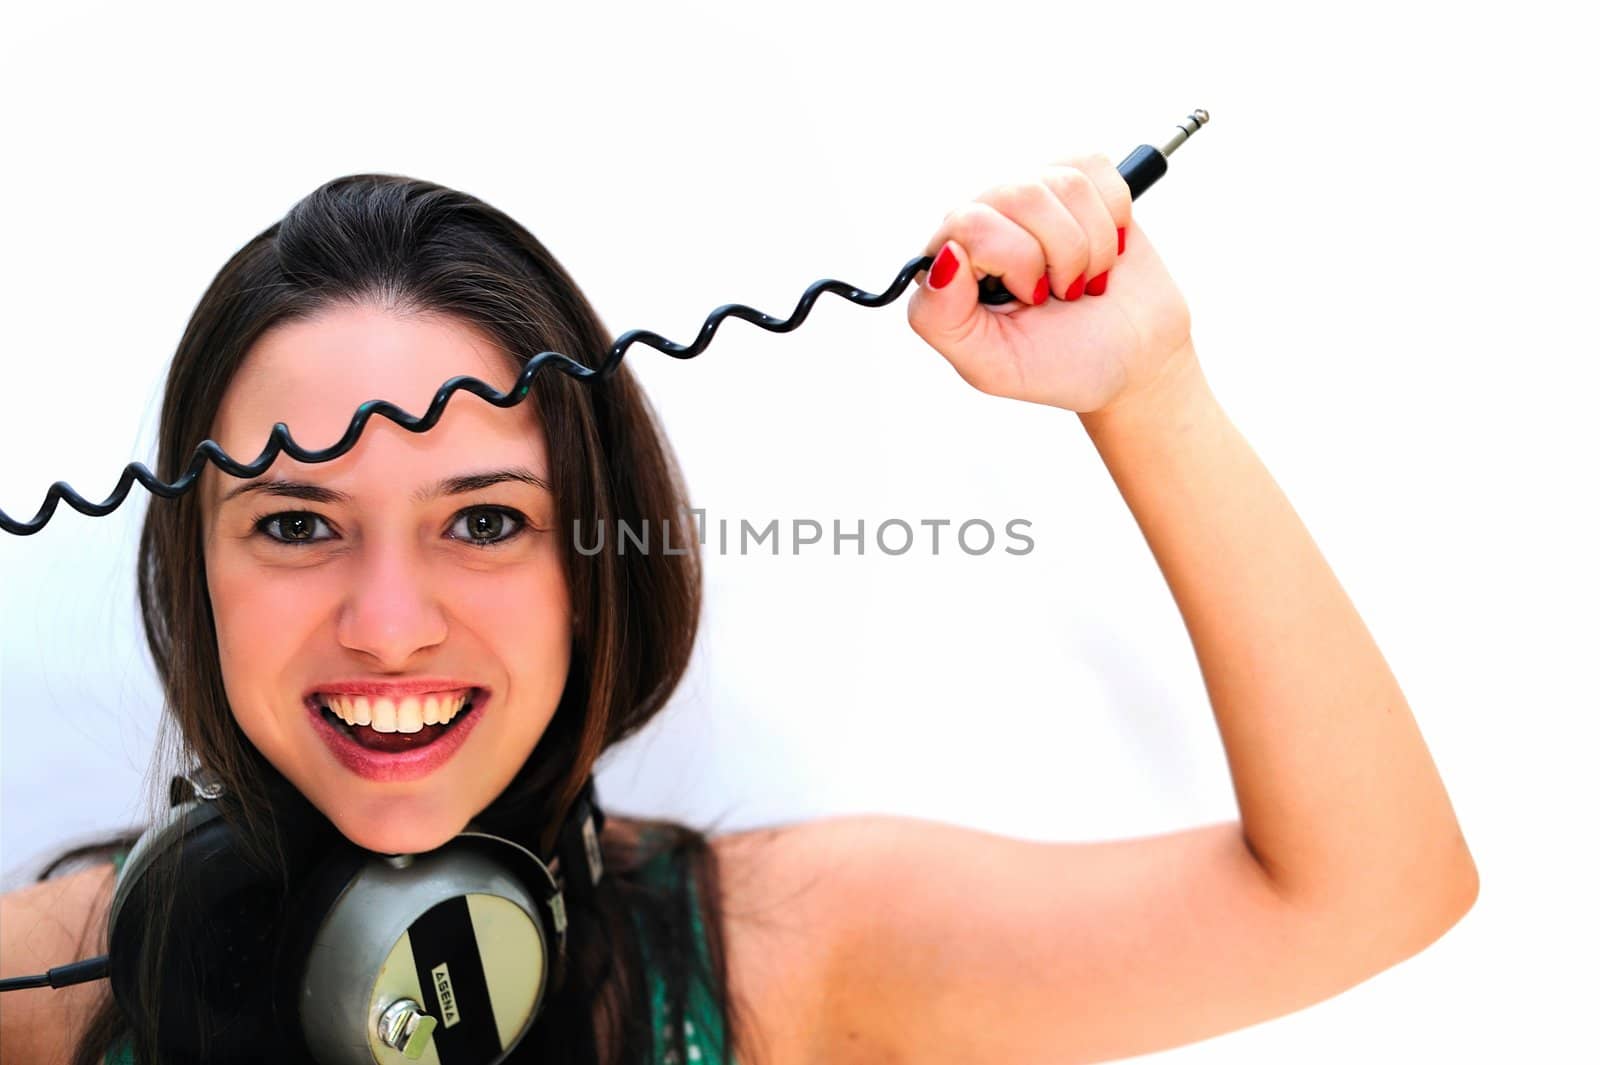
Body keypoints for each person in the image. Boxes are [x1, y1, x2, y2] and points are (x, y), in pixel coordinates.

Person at [0, 159, 1478, 1065]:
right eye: (299, 522)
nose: (389, 622)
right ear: (196, 571)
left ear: (597, 559)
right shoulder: (56, 986)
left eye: (487, 519)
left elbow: (1362, 891)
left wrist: (1148, 392)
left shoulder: (780, 957)